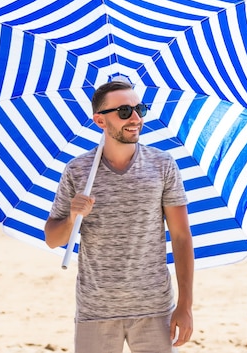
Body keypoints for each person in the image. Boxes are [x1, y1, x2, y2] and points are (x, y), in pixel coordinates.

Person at [45, 80, 194, 353]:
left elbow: (182, 237)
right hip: (95, 309)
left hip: (154, 308)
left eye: (139, 109)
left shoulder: (163, 164)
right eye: (124, 111)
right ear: (100, 121)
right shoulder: (77, 171)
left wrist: (185, 305)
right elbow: (53, 239)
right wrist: (71, 218)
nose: (136, 118)